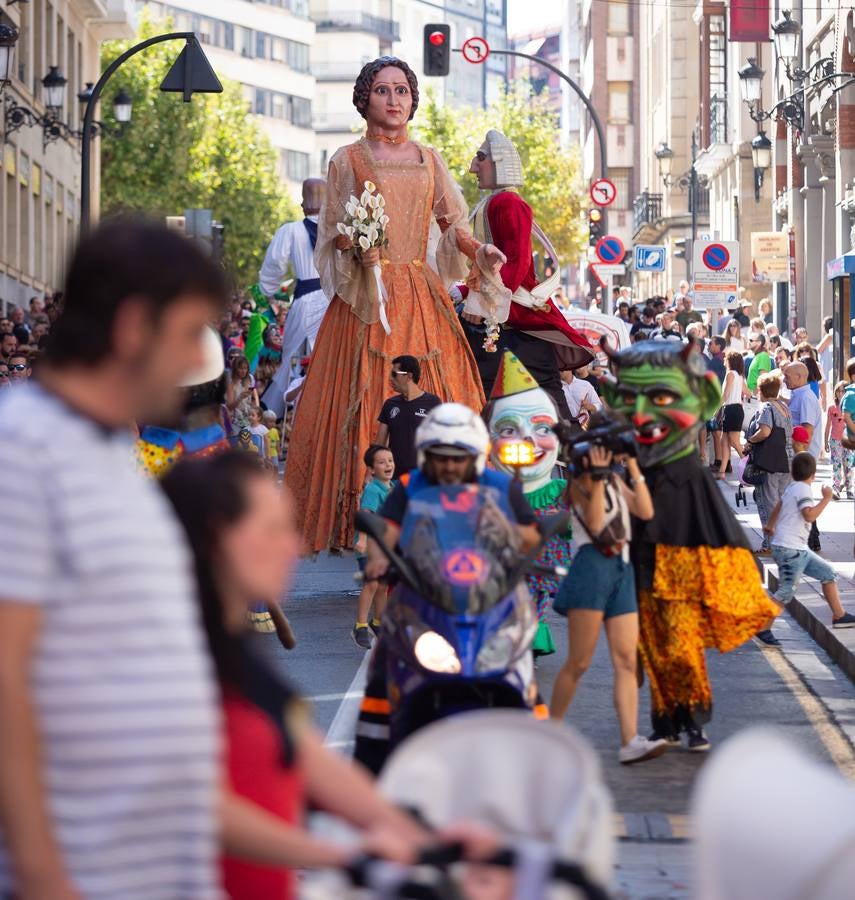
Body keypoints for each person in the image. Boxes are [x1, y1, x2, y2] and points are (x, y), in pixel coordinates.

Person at [0, 219, 231, 897]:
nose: (198, 361)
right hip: (77, 873)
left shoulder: (104, 448)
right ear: (134, 328)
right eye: (190, 334)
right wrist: (43, 873)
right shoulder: (24, 449)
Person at [161, 451, 487, 899]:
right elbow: (196, 807)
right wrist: (341, 857)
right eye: (273, 530)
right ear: (219, 536)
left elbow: (308, 756)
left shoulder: (237, 648)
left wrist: (420, 839)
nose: (290, 548)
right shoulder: (167, 658)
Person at [285, 57, 501, 553]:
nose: (394, 99)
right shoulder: (348, 158)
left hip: (422, 295)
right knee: (362, 397)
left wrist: (480, 251)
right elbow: (335, 230)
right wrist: (357, 247)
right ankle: (365, 520)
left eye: (402, 90)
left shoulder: (430, 157)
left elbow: (455, 224)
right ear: (364, 99)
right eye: (382, 91)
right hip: (368, 299)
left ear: (412, 99)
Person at [603, 341, 778, 750]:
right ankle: (665, 723)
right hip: (640, 566)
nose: (645, 413)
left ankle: (694, 722)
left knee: (682, 648)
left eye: (660, 397)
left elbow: (716, 524)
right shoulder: (627, 462)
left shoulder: (687, 469)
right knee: (653, 650)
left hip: (679, 569)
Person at [355, 403, 539, 772]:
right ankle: (370, 761)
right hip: (422, 595)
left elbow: (530, 535)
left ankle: (538, 754)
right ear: (427, 455)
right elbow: (385, 531)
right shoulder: (409, 486)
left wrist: (520, 551)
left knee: (523, 668)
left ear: (476, 455)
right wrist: (379, 559)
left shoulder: (502, 486)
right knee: (385, 662)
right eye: (442, 457)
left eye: (459, 457)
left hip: (489, 597)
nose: (451, 465)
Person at [550, 432, 667, 765]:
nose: (607, 458)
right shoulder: (579, 485)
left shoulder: (616, 479)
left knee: (627, 660)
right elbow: (597, 523)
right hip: (591, 566)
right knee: (580, 662)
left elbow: (644, 510)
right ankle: (549, 732)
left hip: (622, 566)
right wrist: (600, 477)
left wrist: (631, 463)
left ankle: (629, 739)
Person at [462, 130, 592, 415]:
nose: (473, 167)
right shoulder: (496, 202)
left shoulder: (508, 203)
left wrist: (481, 300)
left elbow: (517, 264)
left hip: (515, 320)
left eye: (481, 158)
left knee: (494, 396)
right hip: (507, 320)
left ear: (498, 162)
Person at [487, 351, 571, 657]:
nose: (528, 441)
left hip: (546, 565)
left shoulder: (562, 489)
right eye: (509, 430)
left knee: (534, 598)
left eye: (542, 428)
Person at [260, 178, 330, 416]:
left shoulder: (291, 231)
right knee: (330, 356)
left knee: (293, 357)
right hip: (334, 302)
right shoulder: (339, 230)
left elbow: (274, 264)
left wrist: (268, 290)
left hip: (305, 302)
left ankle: (279, 411)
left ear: (302, 203)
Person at [765, 452, 855, 628]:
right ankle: (761, 626)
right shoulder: (803, 489)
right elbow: (809, 515)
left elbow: (779, 505)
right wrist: (826, 499)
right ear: (813, 475)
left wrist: (770, 525)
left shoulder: (792, 487)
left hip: (796, 548)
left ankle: (839, 615)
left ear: (793, 473)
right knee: (785, 592)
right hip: (791, 550)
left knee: (828, 573)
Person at [744, 372, 792, 565]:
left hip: (769, 462)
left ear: (762, 391)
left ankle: (770, 545)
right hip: (786, 460)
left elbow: (765, 431)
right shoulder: (784, 407)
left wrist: (750, 440)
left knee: (767, 501)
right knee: (781, 502)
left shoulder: (766, 407)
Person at [353, 444, 395, 649]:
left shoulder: (393, 487)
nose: (388, 464)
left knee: (383, 585)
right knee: (371, 584)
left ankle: (378, 622)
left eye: (390, 460)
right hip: (369, 545)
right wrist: (361, 540)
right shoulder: (372, 489)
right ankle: (360, 626)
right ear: (371, 469)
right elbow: (366, 515)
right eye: (381, 462)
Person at [376, 355, 442, 478]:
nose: (390, 378)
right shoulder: (390, 404)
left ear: (409, 376)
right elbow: (379, 443)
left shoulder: (433, 403)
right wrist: (371, 471)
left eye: (394, 374)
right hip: (394, 479)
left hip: (423, 479)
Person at [716, 351, 749, 480]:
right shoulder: (740, 376)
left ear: (731, 361)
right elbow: (747, 392)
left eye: (726, 358)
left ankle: (749, 464)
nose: (724, 359)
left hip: (731, 409)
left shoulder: (730, 374)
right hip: (736, 409)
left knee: (734, 441)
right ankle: (722, 471)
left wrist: (715, 409)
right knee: (724, 441)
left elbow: (725, 395)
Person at [785, 362, 823, 460]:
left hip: (802, 458)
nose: (784, 380)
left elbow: (807, 431)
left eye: (787, 377)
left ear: (798, 377)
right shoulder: (800, 395)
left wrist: (801, 461)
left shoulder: (806, 397)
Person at [226, 353, 259, 439]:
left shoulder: (250, 378)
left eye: (245, 368)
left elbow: (254, 395)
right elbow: (229, 406)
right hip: (235, 421)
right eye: (240, 368)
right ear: (235, 369)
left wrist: (257, 408)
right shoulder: (231, 382)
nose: (243, 371)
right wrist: (240, 398)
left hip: (248, 418)